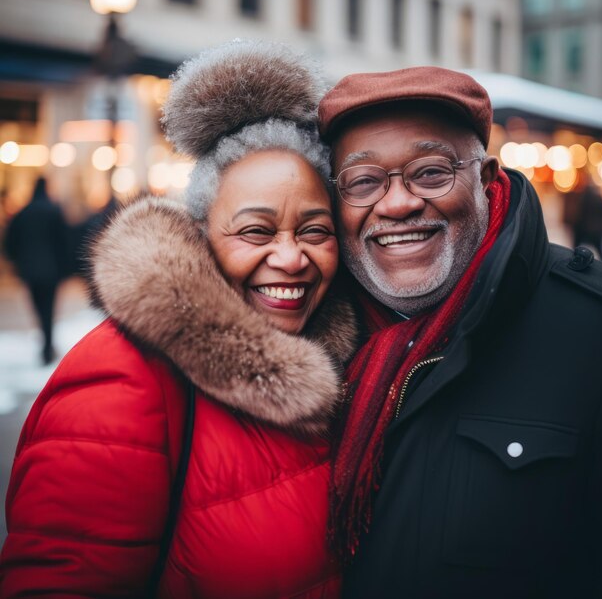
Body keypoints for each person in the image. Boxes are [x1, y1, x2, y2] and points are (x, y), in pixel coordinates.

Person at [0, 41, 357, 598]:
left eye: (314, 231)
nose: (290, 258)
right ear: (203, 237)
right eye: (255, 232)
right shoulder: (120, 380)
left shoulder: (351, 363)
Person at [317, 67, 602, 598]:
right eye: (364, 182)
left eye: (431, 172)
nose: (397, 204)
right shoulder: (307, 335)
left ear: (485, 180)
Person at [4, 175, 68, 364]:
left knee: (39, 308)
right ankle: (47, 345)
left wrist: (18, 263)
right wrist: (64, 268)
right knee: (48, 309)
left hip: (30, 271)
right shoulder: (54, 211)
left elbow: (9, 242)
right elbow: (63, 242)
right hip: (51, 271)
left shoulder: (23, 213)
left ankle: (46, 344)